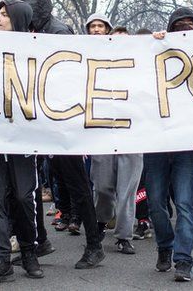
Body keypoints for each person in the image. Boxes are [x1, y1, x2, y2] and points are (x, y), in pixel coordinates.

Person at [17, 0, 102, 271]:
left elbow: (68, 77)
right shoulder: (29, 32)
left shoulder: (59, 33)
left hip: (62, 121)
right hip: (38, 118)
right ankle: (40, 239)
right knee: (32, 183)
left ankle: (94, 244)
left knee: (76, 183)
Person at [0, 0, 43, 285]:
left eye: (4, 15)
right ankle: (2, 260)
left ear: (17, 19)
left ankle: (29, 252)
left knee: (21, 197)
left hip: (23, 140)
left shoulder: (38, 49)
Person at [147, 7, 193, 282]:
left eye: (190, 28)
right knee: (156, 203)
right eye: (179, 26)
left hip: (186, 145)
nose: (184, 31)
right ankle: (164, 246)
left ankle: (183, 260)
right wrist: (151, 43)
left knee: (184, 203)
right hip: (157, 142)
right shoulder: (156, 53)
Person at [87, 14, 143, 256]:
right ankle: (101, 221)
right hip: (103, 132)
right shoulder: (95, 61)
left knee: (127, 190)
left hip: (132, 134)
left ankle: (123, 235)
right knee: (102, 186)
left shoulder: (142, 64)